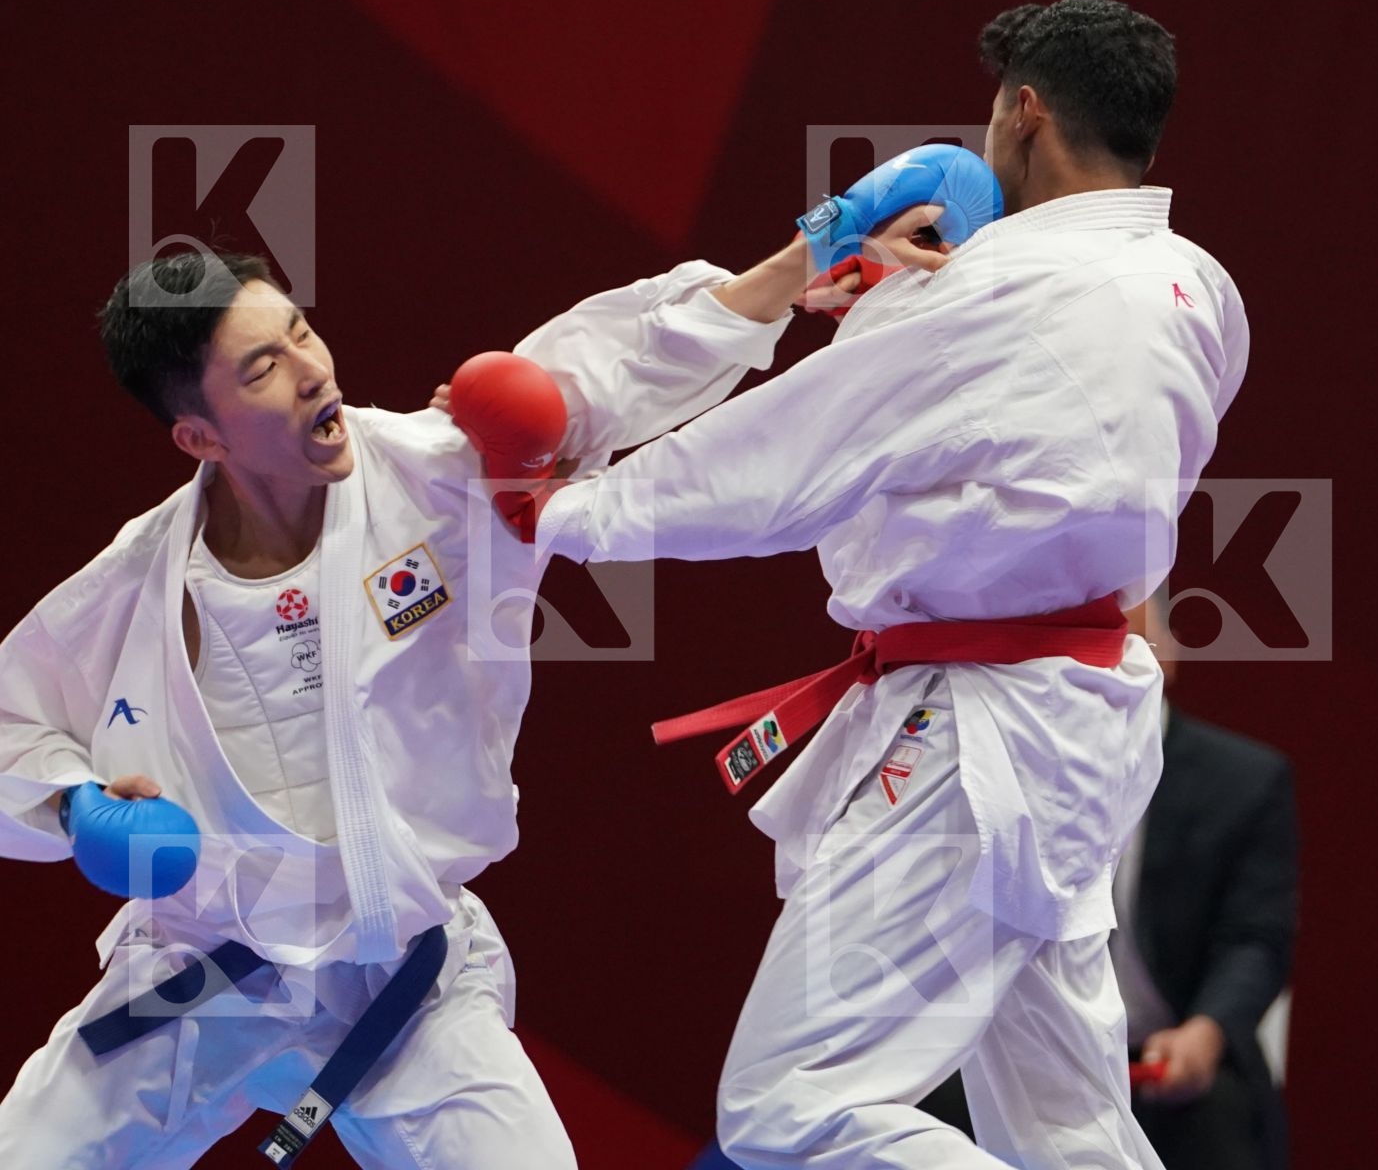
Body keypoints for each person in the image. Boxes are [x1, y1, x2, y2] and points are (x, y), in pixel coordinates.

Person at [532, 0, 1251, 1169]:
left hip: (981, 738)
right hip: (1087, 725)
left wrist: (566, 514)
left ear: (1024, 112)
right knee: (1069, 1128)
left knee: (789, 1107)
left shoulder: (988, 290)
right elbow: (1044, 450)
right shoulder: (1203, 290)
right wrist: (904, 328)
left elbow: (784, 465)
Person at [0, 243, 803, 1165]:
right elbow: (12, 724)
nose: (311, 373)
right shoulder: (136, 581)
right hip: (204, 972)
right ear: (201, 438)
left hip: (408, 982)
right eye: (264, 369)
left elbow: (610, 367)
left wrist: (806, 254)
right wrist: (75, 803)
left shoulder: (436, 471)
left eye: (301, 332)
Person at [918, 599, 1300, 1169]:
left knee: (1218, 1115)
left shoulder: (1246, 782)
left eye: (1123, 654)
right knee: (921, 1104)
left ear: (1165, 657)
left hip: (1172, 1056)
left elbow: (1255, 940)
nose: (1101, 679)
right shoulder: (998, 775)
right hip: (1029, 1051)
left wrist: (1206, 1032)